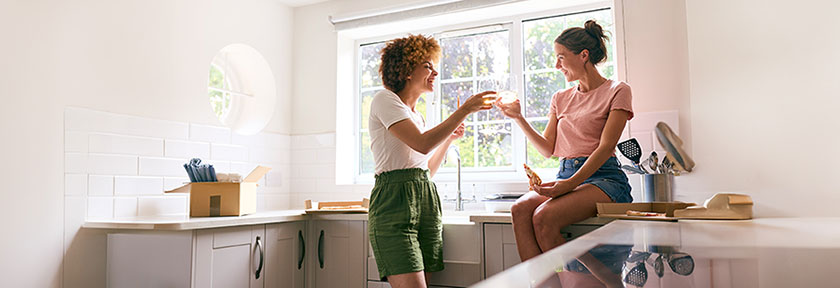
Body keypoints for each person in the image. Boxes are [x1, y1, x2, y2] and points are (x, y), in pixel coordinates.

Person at [495, 20, 634, 261]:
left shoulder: (618, 90)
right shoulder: (560, 97)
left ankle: (587, 280)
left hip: (604, 178)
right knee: (519, 209)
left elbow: (606, 147)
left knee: (543, 218)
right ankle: (542, 283)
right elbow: (548, 150)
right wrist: (519, 118)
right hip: (566, 174)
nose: (556, 65)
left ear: (583, 55)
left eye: (561, 57)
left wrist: (570, 184)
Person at [367, 34, 494, 288]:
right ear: (406, 70)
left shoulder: (417, 116)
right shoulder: (385, 100)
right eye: (427, 66)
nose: (435, 72)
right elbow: (422, 143)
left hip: (425, 200)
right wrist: (464, 110)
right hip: (394, 204)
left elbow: (426, 170)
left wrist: (449, 139)